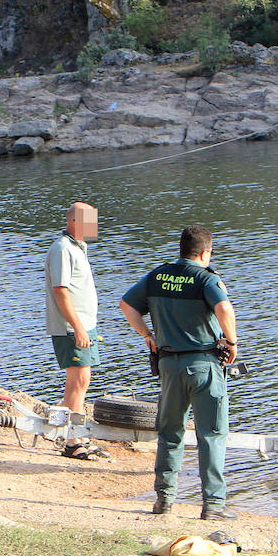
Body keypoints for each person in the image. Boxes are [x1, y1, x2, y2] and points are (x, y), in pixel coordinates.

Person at [119, 226, 239, 519]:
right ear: (204, 252)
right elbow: (223, 307)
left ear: (181, 249)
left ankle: (164, 501)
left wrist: (147, 334)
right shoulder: (205, 278)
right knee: (210, 434)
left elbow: (126, 304)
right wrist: (232, 341)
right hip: (204, 366)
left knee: (170, 433)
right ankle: (213, 506)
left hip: (169, 366)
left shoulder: (158, 276)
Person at [44, 201, 106, 459]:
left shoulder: (78, 248)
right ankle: (72, 441)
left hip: (83, 326)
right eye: (90, 221)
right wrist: (78, 327)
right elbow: (61, 291)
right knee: (78, 381)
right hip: (72, 327)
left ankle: (75, 434)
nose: (95, 226)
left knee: (80, 382)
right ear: (73, 222)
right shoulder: (63, 249)